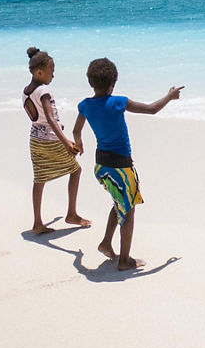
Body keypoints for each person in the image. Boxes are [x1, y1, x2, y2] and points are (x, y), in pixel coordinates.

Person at [73, 57, 183, 271]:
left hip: (101, 166)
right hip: (121, 166)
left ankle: (106, 243)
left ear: (90, 83)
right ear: (113, 83)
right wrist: (169, 96)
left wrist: (79, 144)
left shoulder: (85, 105)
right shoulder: (118, 102)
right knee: (128, 209)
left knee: (119, 201)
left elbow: (76, 130)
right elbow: (152, 109)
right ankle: (124, 260)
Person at [22, 47, 91, 235]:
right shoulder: (44, 91)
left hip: (35, 140)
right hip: (51, 141)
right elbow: (50, 119)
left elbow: (39, 118)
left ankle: (37, 223)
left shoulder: (26, 92)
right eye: (51, 72)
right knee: (76, 171)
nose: (53, 76)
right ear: (39, 72)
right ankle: (72, 214)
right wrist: (67, 142)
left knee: (39, 178)